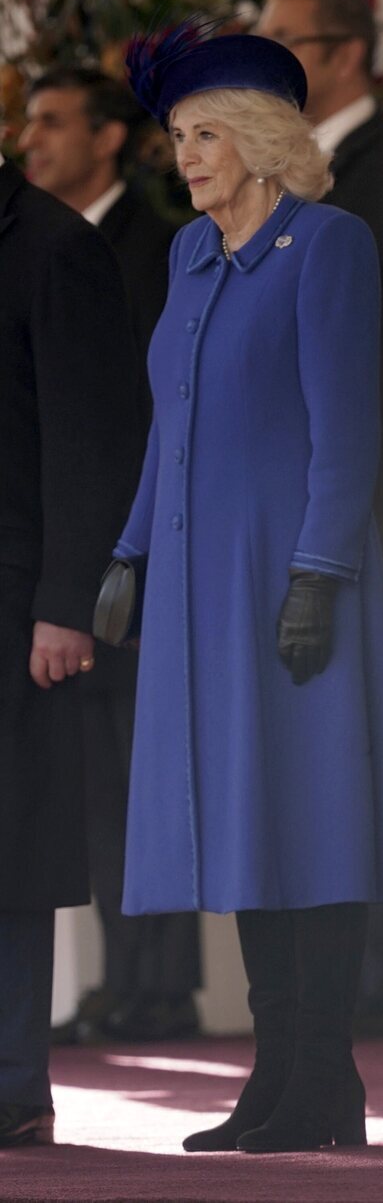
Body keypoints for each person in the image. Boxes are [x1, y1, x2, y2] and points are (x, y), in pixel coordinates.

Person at [116, 23, 383, 1153]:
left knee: (314, 821)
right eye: (175, 135)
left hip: (294, 573)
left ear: (260, 140)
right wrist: (124, 555)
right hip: (200, 584)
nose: (186, 155)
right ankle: (274, 1076)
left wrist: (320, 573)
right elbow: (172, 423)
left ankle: (324, 1076)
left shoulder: (328, 242)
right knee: (249, 823)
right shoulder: (190, 256)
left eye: (205, 133)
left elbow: (348, 430)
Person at [257, 0, 383, 1038]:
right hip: (302, 509)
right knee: (332, 740)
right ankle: (346, 977)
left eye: (288, 44)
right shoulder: (276, 182)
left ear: (344, 53)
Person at [19, 66, 202, 1046]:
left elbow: (126, 419)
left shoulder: (147, 243)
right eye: (27, 121)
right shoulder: (44, 239)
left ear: (110, 138)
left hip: (135, 550)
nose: (32, 138)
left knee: (147, 775)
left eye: (55, 121)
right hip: (82, 552)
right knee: (95, 784)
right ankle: (126, 977)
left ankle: (163, 983)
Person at [0, 144, 142, 1146]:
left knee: (12, 853)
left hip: (18, 606)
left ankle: (12, 1083)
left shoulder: (56, 246)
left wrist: (65, 606)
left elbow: (95, 438)